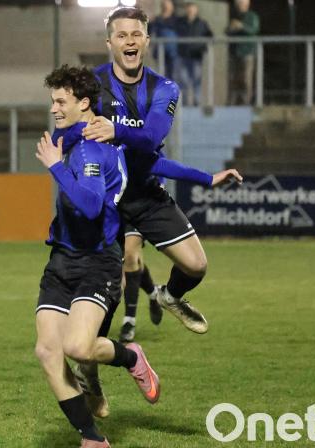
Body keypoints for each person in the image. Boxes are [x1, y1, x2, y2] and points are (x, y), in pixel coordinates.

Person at [77, 6, 242, 417]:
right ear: (110, 43)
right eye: (122, 35)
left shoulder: (165, 88)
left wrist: (115, 129)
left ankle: (169, 296)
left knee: (197, 265)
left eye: (136, 34)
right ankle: (89, 374)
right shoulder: (92, 85)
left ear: (147, 41)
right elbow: (75, 132)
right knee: (107, 296)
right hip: (107, 202)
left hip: (147, 194)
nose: (130, 41)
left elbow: (151, 140)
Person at [34, 64, 160, 448]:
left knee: (77, 347)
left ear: (84, 103)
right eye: (52, 100)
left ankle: (130, 356)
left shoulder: (90, 147)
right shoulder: (75, 137)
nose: (53, 108)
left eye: (61, 101)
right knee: (47, 350)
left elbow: (89, 206)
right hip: (62, 259)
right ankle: (93, 439)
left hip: (97, 262)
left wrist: (56, 167)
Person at [176, 2, 213, 106]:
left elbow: (210, 36)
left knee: (197, 81)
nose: (190, 11)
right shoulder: (180, 22)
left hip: (197, 57)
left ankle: (197, 104)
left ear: (196, 11)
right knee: (184, 81)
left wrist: (203, 47)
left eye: (192, 9)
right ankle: (185, 104)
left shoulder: (202, 23)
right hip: (183, 56)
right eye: (189, 9)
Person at [226, 0, 260, 105]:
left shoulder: (252, 16)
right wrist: (231, 28)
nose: (240, 5)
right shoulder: (235, 16)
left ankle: (246, 103)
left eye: (242, 3)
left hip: (247, 52)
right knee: (233, 78)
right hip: (234, 52)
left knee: (246, 79)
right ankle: (232, 103)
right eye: (238, 3)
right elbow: (227, 31)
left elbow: (254, 29)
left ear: (247, 4)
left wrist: (241, 26)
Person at [149, 0, 179, 80]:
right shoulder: (156, 19)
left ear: (172, 7)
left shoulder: (177, 20)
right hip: (160, 52)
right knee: (161, 74)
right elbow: (149, 31)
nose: (166, 7)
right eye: (164, 5)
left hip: (173, 53)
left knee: (173, 74)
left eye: (168, 5)